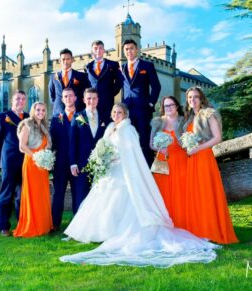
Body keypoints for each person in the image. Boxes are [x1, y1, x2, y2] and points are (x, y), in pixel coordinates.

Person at [60, 103, 220, 268]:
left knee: (118, 201)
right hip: (110, 171)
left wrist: (116, 157)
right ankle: (99, 232)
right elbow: (105, 146)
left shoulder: (128, 130)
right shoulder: (110, 128)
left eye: (120, 112)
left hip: (123, 171)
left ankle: (115, 232)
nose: (116, 115)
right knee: (103, 201)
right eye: (114, 112)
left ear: (126, 114)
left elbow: (131, 152)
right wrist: (103, 158)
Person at [183, 87, 238, 244]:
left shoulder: (209, 114)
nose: (192, 100)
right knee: (196, 194)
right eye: (189, 97)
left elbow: (217, 138)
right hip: (192, 159)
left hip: (204, 158)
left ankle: (210, 229)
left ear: (201, 99)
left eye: (196, 97)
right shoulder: (188, 118)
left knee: (206, 192)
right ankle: (198, 229)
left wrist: (197, 149)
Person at [13, 102, 53, 237]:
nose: (41, 112)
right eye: (38, 110)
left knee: (42, 194)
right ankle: (32, 226)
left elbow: (46, 145)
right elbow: (22, 146)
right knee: (32, 194)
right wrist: (36, 156)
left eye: (43, 110)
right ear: (33, 111)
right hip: (31, 163)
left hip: (42, 164)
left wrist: (45, 157)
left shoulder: (44, 126)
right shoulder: (27, 124)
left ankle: (44, 226)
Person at [0, 90, 29, 237]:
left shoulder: (27, 117)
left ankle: (21, 224)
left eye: (23, 99)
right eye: (18, 99)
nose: (20, 102)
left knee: (22, 194)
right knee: (6, 194)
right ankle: (4, 226)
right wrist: (3, 157)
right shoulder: (3, 117)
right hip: (9, 161)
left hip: (25, 161)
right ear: (12, 101)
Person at [121, 39, 161, 166]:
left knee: (145, 142)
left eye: (131, 48)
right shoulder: (121, 68)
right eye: (126, 49)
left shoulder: (147, 66)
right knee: (128, 142)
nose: (129, 51)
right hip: (127, 112)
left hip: (144, 110)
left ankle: (149, 171)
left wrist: (151, 103)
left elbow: (156, 86)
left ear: (137, 49)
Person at [150, 96, 187, 229]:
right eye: (166, 106)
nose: (169, 108)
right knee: (163, 193)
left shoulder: (184, 121)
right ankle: (165, 223)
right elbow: (151, 144)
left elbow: (189, 140)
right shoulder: (157, 122)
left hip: (180, 159)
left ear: (177, 106)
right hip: (163, 162)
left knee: (180, 192)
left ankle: (181, 222)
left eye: (171, 105)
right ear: (163, 108)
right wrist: (161, 148)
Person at [69, 88, 106, 213]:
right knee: (81, 194)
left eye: (94, 98)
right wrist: (73, 163)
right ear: (84, 100)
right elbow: (72, 142)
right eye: (89, 98)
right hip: (81, 163)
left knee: (99, 195)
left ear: (98, 100)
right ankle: (78, 227)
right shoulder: (77, 117)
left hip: (100, 163)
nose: (91, 101)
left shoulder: (105, 117)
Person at [50, 88, 77, 230]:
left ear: (75, 98)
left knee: (78, 194)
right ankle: (55, 224)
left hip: (76, 163)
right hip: (60, 163)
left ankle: (77, 225)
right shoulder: (55, 119)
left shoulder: (81, 117)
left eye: (71, 96)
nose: (68, 98)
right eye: (65, 96)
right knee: (58, 194)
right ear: (62, 99)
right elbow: (51, 141)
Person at [85, 40, 124, 124]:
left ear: (104, 50)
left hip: (107, 103)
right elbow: (86, 85)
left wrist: (110, 93)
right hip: (92, 104)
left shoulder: (113, 65)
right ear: (92, 51)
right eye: (95, 48)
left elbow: (120, 81)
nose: (98, 51)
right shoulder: (88, 67)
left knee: (107, 128)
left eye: (100, 48)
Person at [48, 48, 90, 115]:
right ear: (60, 61)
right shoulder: (53, 77)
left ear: (72, 60)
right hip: (59, 113)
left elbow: (84, 94)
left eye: (68, 59)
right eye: (63, 59)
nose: (65, 61)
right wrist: (58, 104)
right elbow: (52, 96)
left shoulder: (81, 76)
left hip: (78, 112)